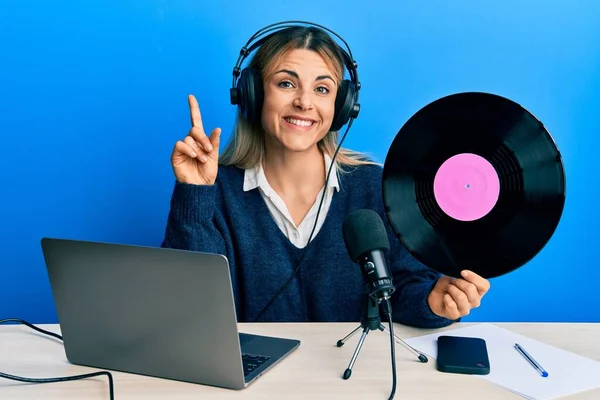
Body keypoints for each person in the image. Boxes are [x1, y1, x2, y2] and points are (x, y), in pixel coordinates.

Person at [161, 23, 490, 328]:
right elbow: (191, 306)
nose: (304, 102)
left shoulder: (373, 188)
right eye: (286, 83)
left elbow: (403, 290)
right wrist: (195, 193)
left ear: (343, 106)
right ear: (253, 94)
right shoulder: (216, 192)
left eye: (322, 89)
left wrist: (433, 303)